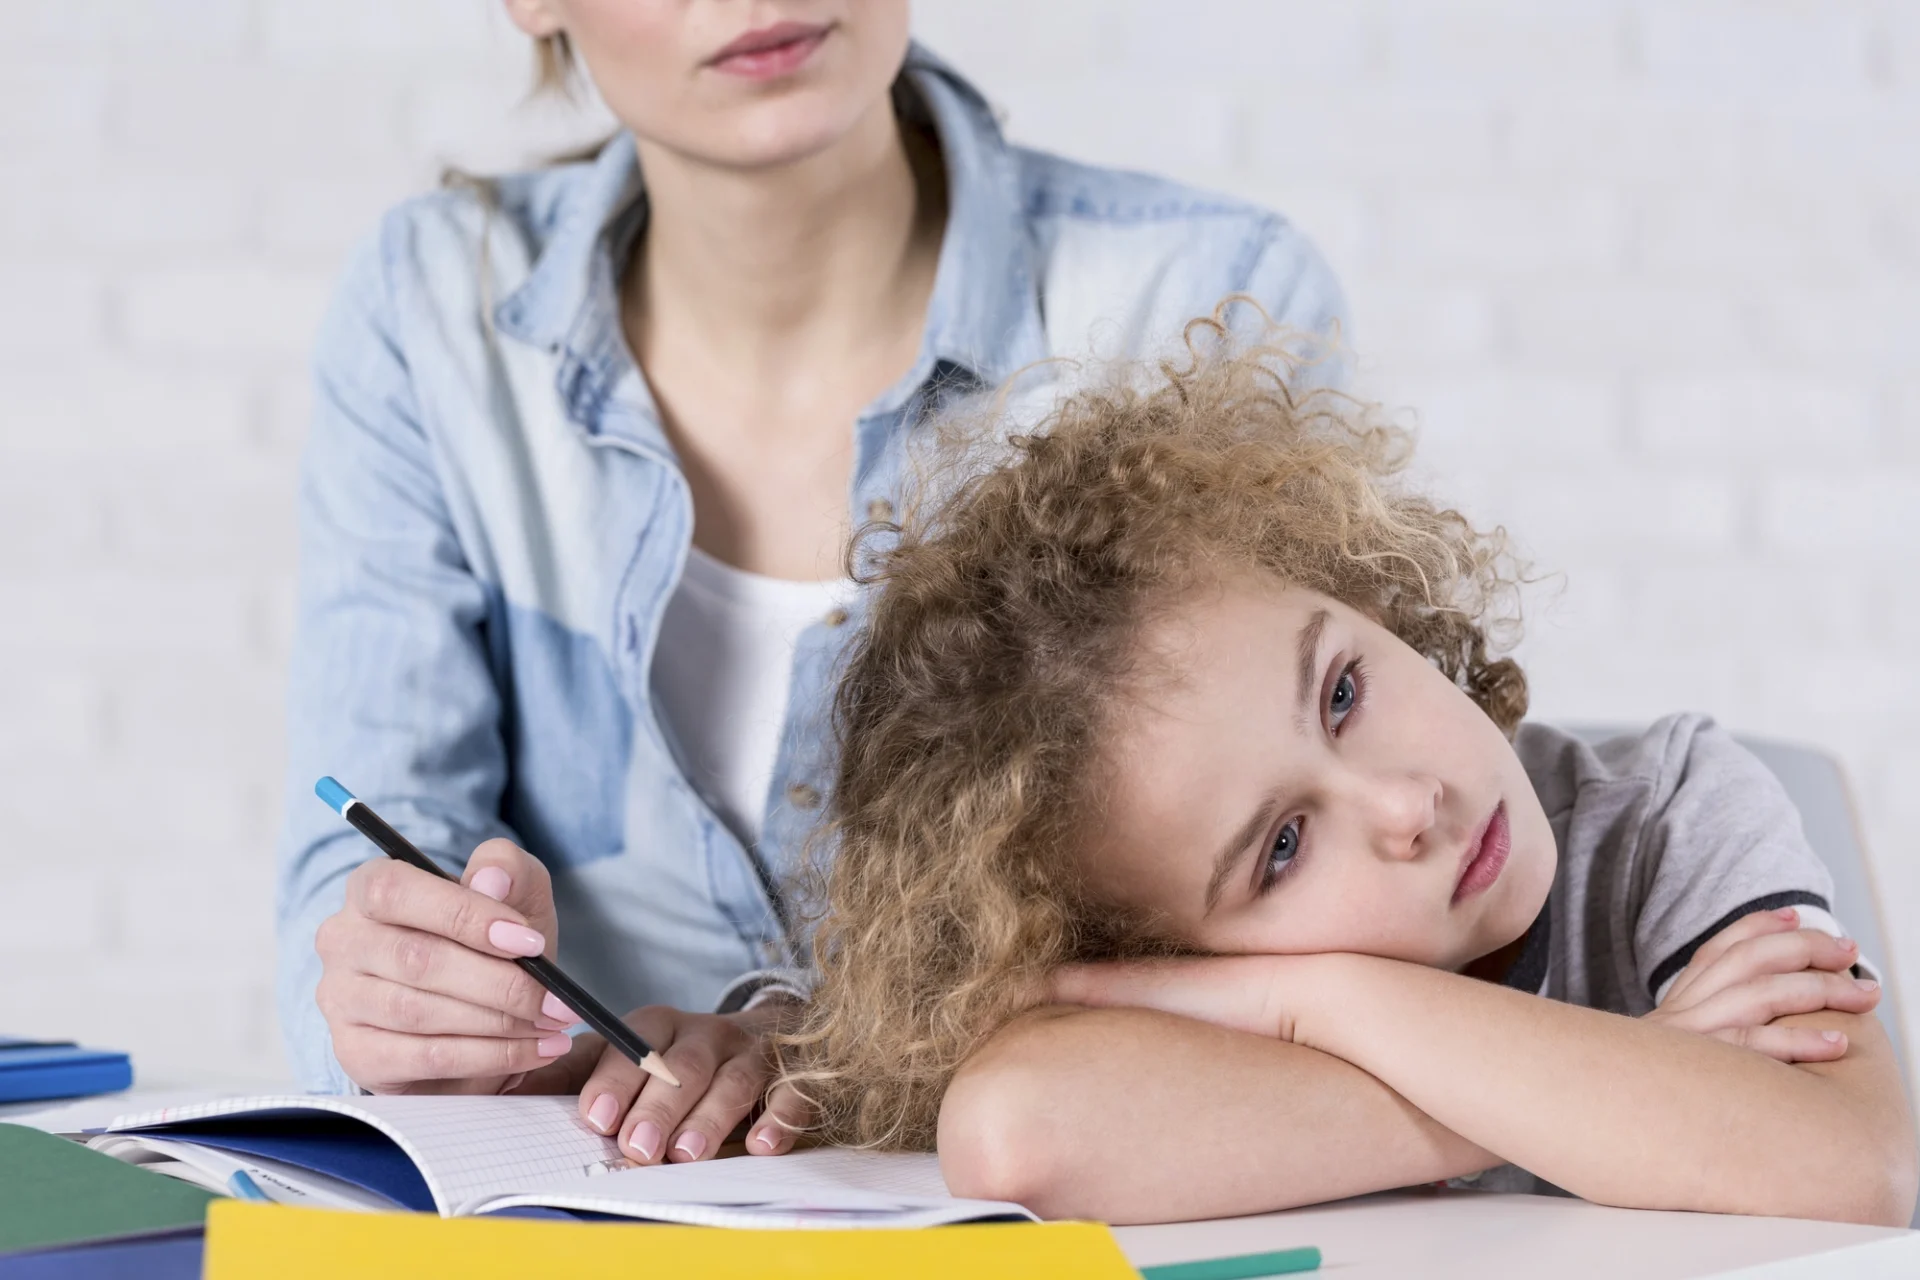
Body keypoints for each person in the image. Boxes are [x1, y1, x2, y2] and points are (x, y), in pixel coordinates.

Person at [275, 0, 1347, 1175]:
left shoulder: (1205, 295)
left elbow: (1314, 912)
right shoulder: (430, 309)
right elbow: (366, 862)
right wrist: (413, 992)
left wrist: (845, 1050)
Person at [778, 313, 1920, 1227]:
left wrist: (1310, 1005)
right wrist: (1640, 1078)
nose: (1406, 804)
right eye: (1280, 847)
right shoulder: (1213, 996)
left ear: (1365, 599)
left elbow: (1854, 1163)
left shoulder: (1668, 812)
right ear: (1162, 958)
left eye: (1343, 692)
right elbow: (1017, 1131)